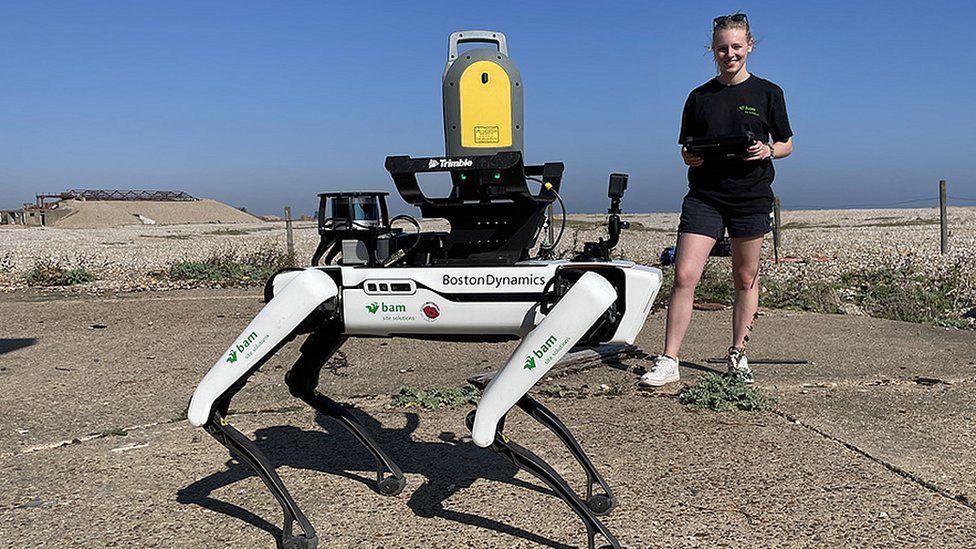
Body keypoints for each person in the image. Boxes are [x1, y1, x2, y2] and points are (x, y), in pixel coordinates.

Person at [640, 13, 793, 387]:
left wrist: (768, 151)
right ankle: (669, 359)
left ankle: (738, 356)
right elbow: (685, 148)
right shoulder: (698, 97)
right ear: (713, 50)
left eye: (736, 47)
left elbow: (788, 144)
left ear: (749, 46)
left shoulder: (769, 93)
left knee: (745, 278)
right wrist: (689, 157)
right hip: (704, 196)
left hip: (751, 196)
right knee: (684, 276)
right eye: (723, 48)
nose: (730, 54)